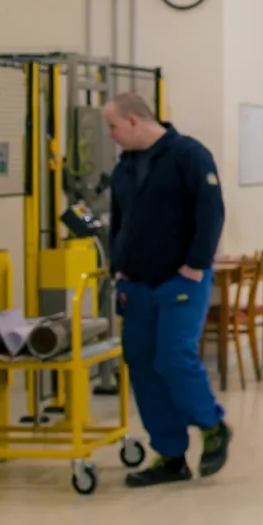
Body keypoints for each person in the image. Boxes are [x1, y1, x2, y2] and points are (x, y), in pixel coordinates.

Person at [103, 92, 233, 486]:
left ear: (133, 121)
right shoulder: (124, 169)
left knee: (174, 356)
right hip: (137, 284)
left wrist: (196, 264)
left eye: (112, 126)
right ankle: (170, 454)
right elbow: (119, 221)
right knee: (142, 364)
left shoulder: (189, 156)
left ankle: (212, 426)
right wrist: (118, 269)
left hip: (180, 280)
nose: (110, 134)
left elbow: (211, 211)